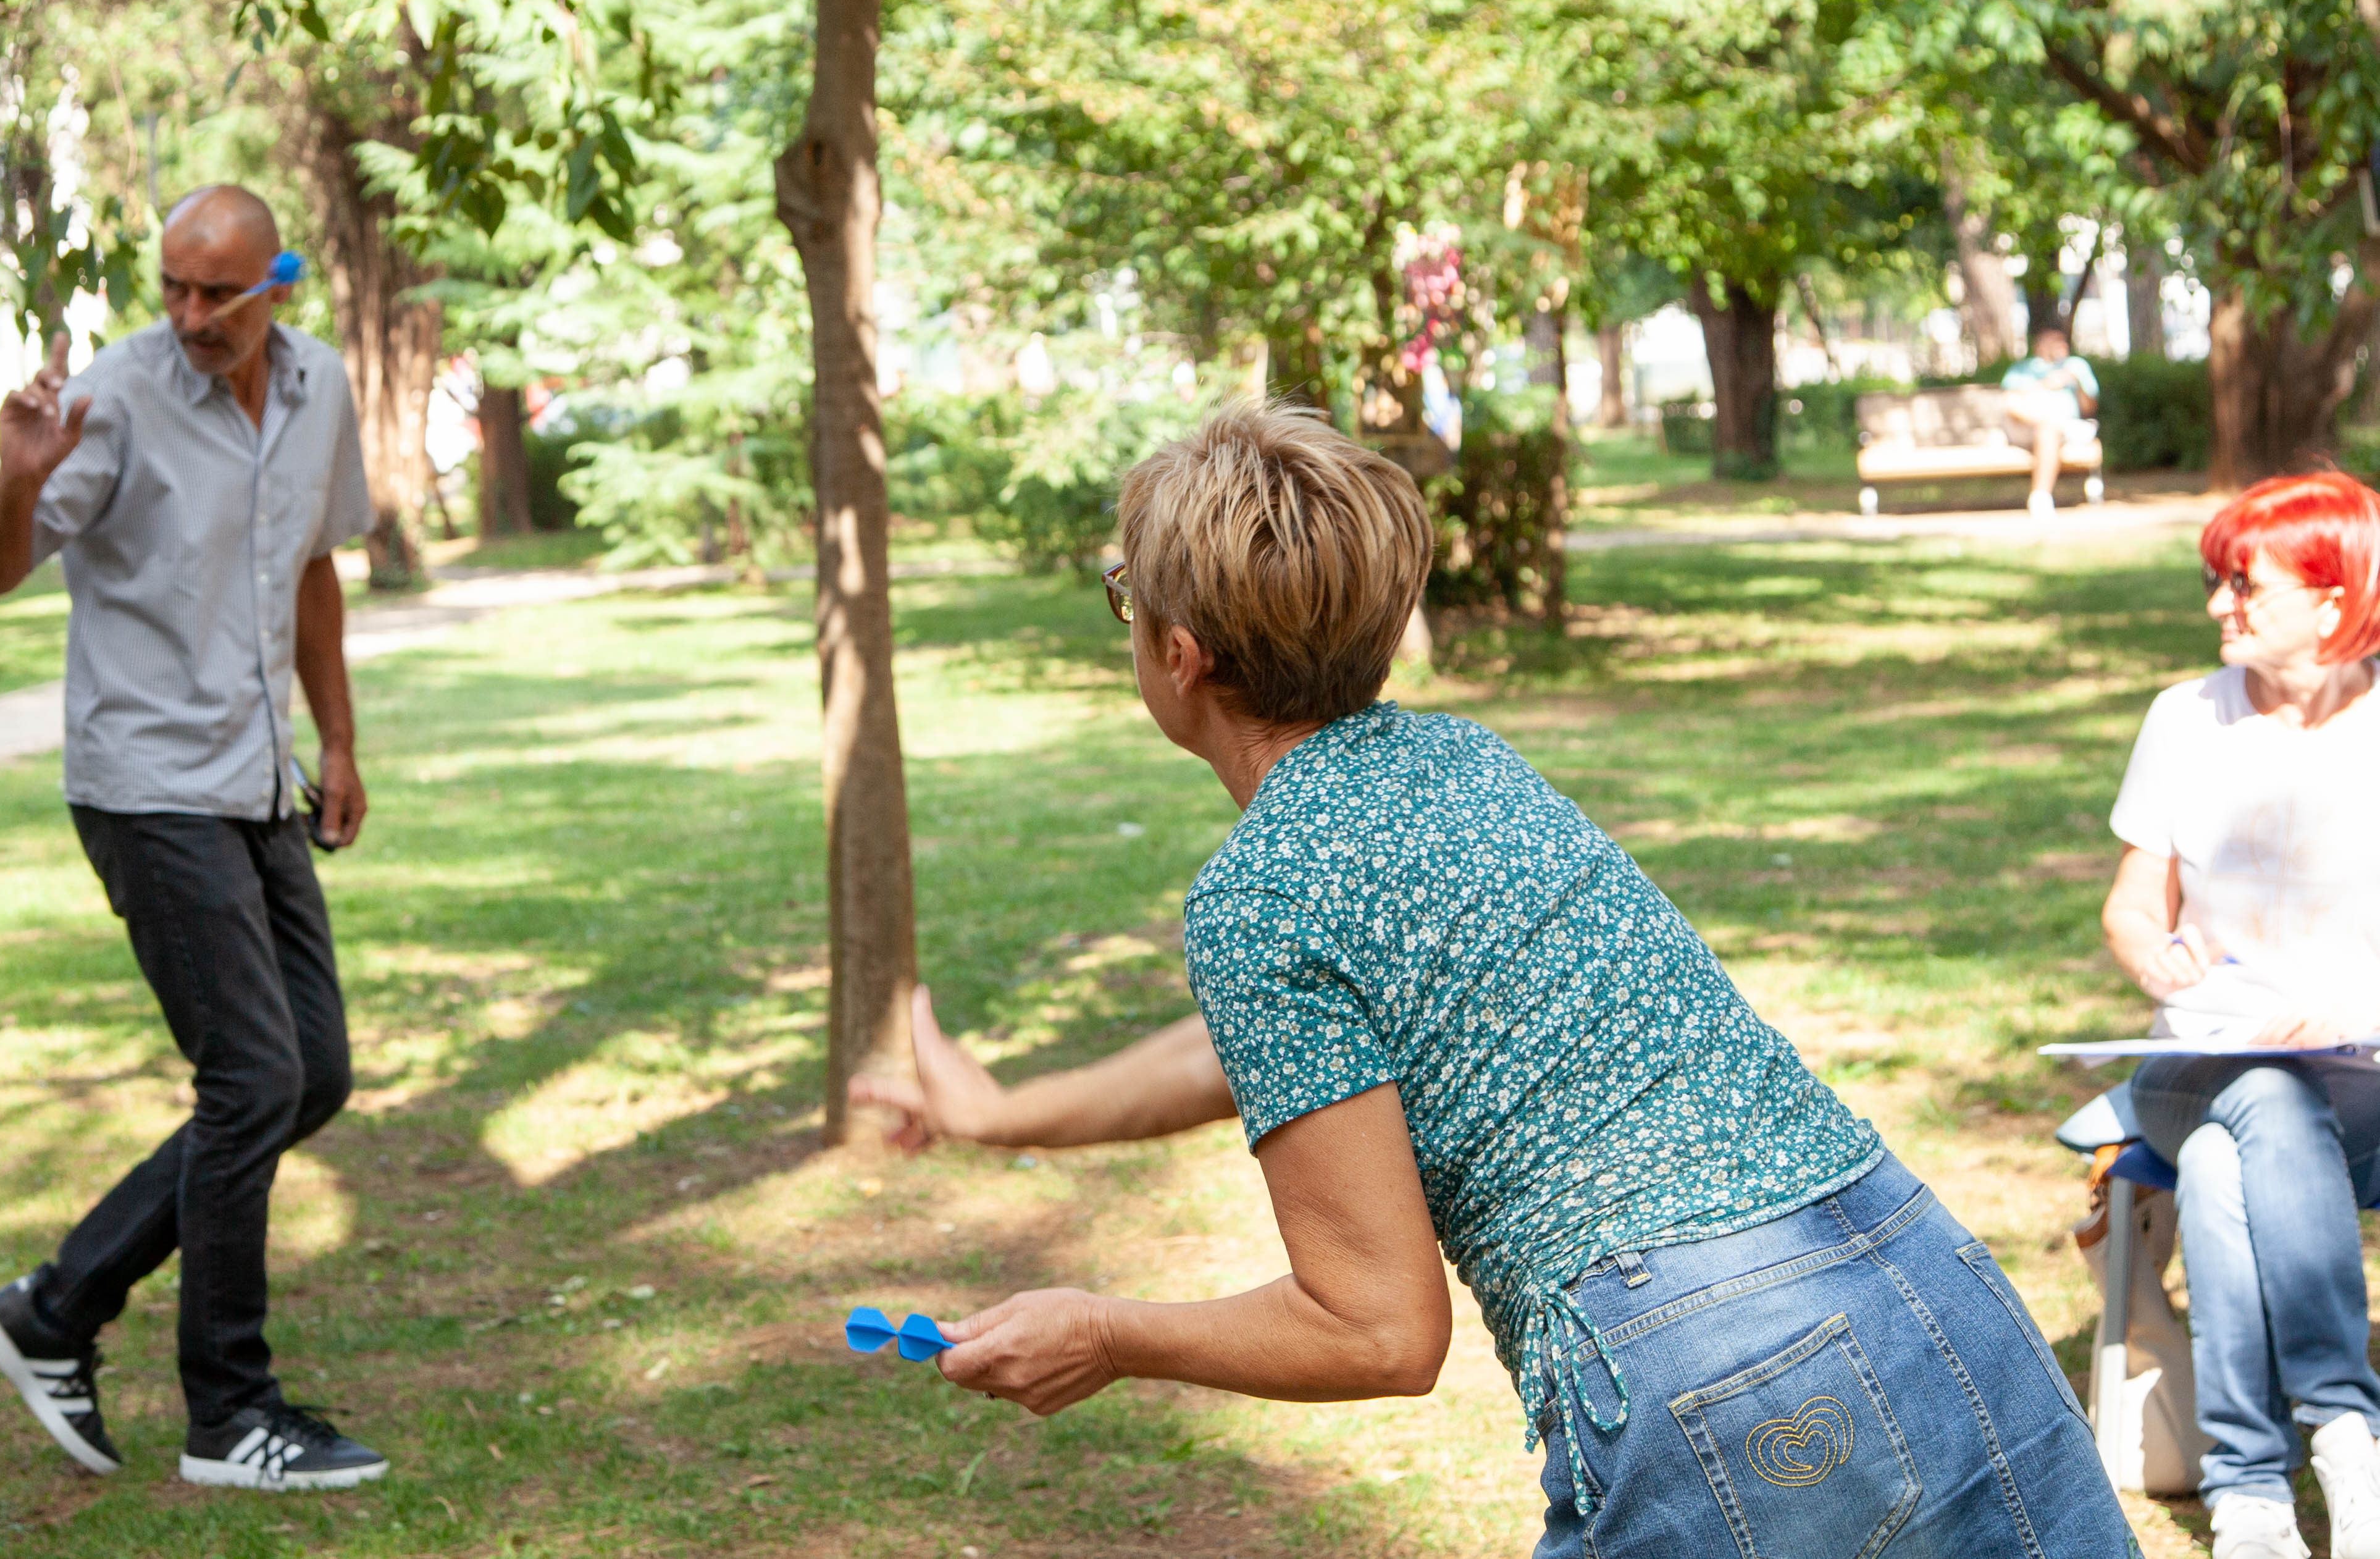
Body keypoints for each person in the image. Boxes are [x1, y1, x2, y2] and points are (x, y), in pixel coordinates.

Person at [852, 400, 2134, 1556]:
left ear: (1180, 651)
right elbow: (1296, 1055)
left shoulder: (1259, 890)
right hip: (1923, 1277)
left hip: (1720, 1367)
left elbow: (1379, 1330)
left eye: (1125, 599)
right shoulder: (1463, 762)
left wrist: (1106, 1329)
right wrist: (1007, 1110)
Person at [0, 184, 388, 1494]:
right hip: (147, 782)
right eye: (175, 289)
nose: (193, 315)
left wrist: (342, 739)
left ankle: (57, 1304)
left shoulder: (318, 389)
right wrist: (13, 481)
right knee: (254, 1075)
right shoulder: (117, 396)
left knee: (308, 1072)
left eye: (220, 293)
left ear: (280, 285)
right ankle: (230, 1411)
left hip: (256, 779)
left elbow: (312, 566)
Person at [2099, 471, 2380, 1559]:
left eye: (2243, 583)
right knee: (2254, 1090)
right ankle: (2349, 1432)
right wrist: (2159, 963)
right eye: (2216, 580)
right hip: (2197, 1058)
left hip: (2359, 1072)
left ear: (2333, 594)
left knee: (2226, 1160)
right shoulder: (2184, 717)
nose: (2219, 603)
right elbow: (2130, 906)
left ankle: (2250, 1487)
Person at [2000, 322, 2099, 514]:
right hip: (2026, 428)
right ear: (2040, 344)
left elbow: (2089, 410)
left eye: (2063, 341)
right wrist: (2045, 385)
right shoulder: (2022, 369)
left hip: (2064, 429)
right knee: (2043, 424)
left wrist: (2076, 382)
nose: (2061, 346)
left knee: (2049, 430)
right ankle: (2046, 421)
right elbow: (2009, 403)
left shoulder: (2076, 367)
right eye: (2055, 341)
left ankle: (2040, 497)